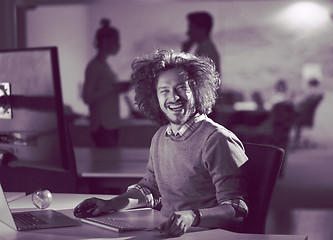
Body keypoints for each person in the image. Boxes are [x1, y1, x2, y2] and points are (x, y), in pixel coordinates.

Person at [74, 50, 249, 237]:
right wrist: (110, 204)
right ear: (154, 97)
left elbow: (236, 208)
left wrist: (192, 216)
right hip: (166, 233)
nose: (173, 97)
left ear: (197, 90)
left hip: (206, 235)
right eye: (164, 91)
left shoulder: (217, 139)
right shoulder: (160, 137)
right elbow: (150, 189)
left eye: (182, 88)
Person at [82, 18, 130, 148]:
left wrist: (117, 88)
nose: (118, 45)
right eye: (116, 41)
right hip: (103, 125)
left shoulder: (105, 66)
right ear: (106, 42)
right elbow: (87, 97)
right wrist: (114, 89)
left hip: (110, 124)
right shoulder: (94, 66)